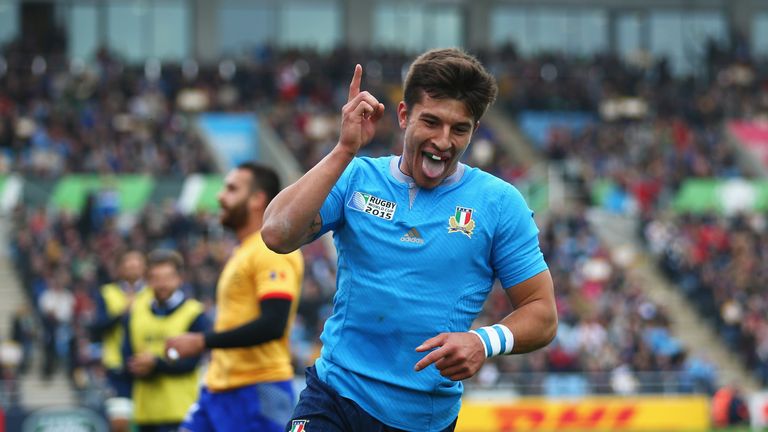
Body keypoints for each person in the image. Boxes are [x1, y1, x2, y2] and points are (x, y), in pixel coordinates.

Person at [261, 48, 558, 431]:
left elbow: (543, 314)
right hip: (334, 394)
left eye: (460, 129)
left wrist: (485, 341)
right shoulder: (355, 177)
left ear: (474, 131)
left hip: (420, 418)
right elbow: (276, 234)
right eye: (431, 122)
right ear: (404, 116)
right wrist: (343, 149)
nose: (443, 141)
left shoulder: (499, 204)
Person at [164, 162, 305, 432]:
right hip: (219, 387)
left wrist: (202, 341)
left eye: (231, 189)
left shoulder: (270, 250)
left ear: (257, 200)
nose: (220, 196)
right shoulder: (244, 251)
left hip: (256, 388)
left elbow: (273, 323)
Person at [122, 249, 209, 432]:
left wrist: (155, 364)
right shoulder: (135, 314)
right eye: (155, 278)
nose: (162, 284)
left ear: (179, 278)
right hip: (145, 414)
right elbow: (126, 356)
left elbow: (190, 363)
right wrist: (137, 365)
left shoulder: (194, 314)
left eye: (167, 277)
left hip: (181, 412)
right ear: (147, 280)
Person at [90, 250, 149, 432]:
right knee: (119, 422)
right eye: (129, 265)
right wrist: (122, 313)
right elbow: (97, 327)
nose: (133, 269)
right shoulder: (108, 292)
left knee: (148, 419)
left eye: (137, 265)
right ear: (120, 269)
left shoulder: (153, 292)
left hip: (147, 364)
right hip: (117, 366)